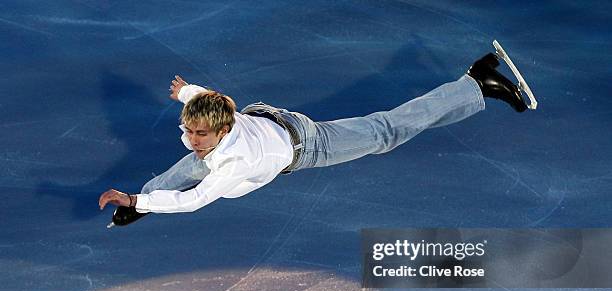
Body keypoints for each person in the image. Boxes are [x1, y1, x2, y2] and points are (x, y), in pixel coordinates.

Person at [99, 50, 532, 219]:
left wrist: (138, 200)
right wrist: (187, 92)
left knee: (385, 132)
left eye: (200, 133)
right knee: (181, 170)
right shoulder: (214, 119)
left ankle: (476, 82)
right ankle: (142, 203)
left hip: (304, 143)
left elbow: (195, 199)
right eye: (188, 130)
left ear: (222, 130)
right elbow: (219, 100)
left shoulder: (234, 164)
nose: (192, 138)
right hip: (261, 117)